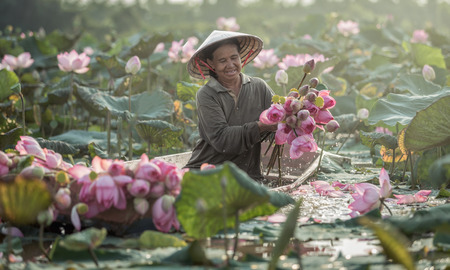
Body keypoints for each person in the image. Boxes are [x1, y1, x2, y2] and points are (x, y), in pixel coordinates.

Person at [183, 30, 277, 181]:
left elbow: (279, 117)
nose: (230, 65)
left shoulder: (259, 86)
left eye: (234, 58)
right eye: (222, 61)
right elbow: (222, 139)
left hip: (248, 176)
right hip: (207, 173)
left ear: (240, 58)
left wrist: (294, 114)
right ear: (211, 63)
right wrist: (262, 126)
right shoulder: (206, 94)